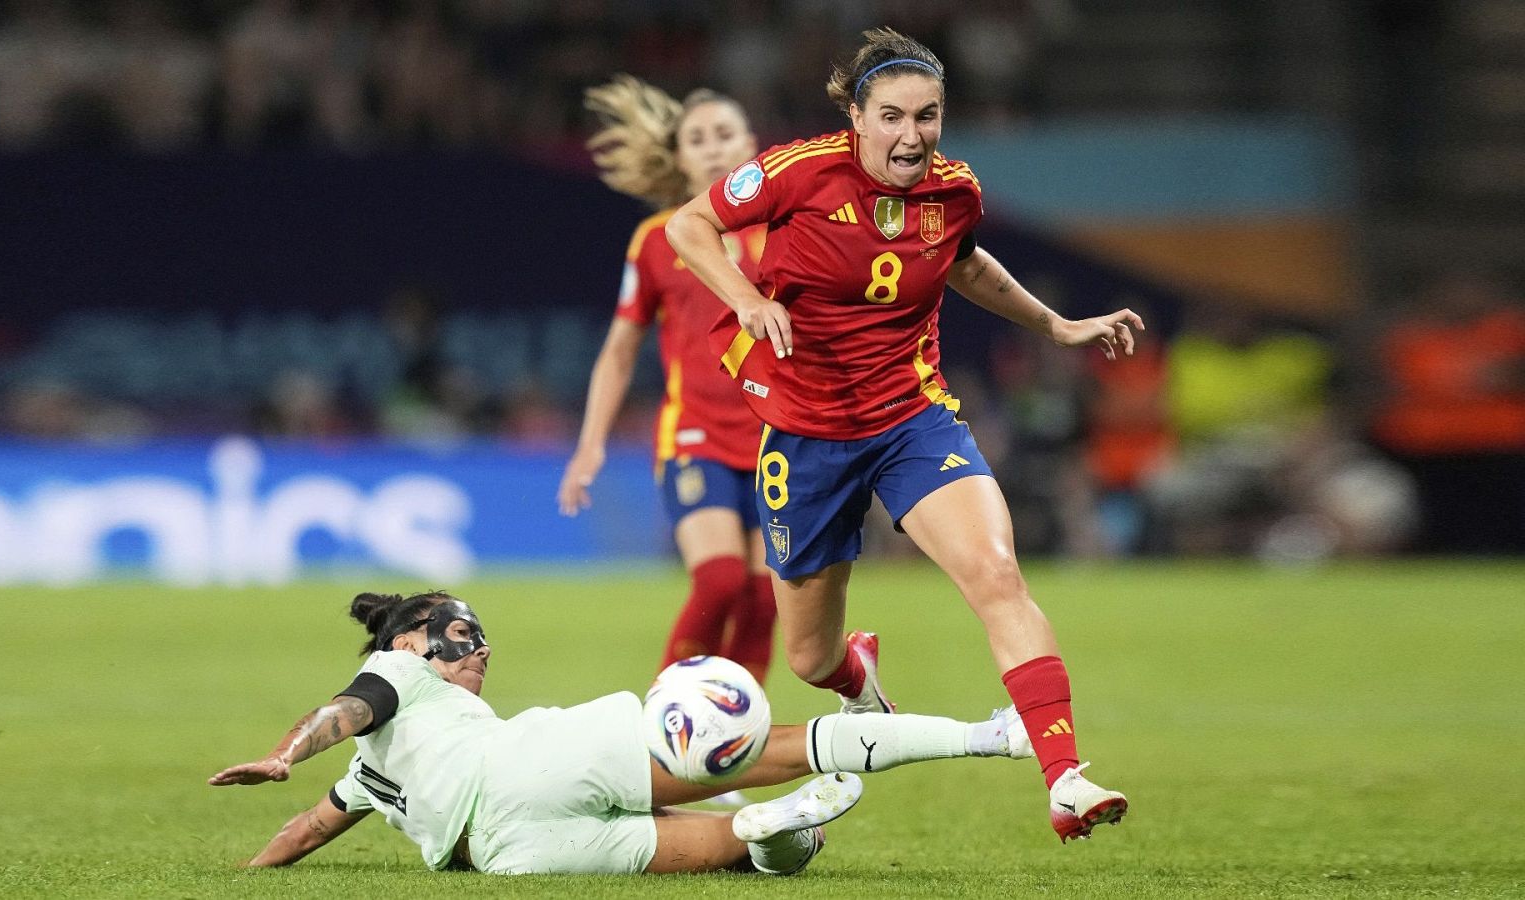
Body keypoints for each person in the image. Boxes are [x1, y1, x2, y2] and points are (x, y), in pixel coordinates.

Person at [664, 27, 1140, 842]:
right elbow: (688, 227)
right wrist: (746, 297)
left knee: (996, 572)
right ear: (857, 115)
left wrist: (1055, 325)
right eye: (891, 116)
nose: (911, 136)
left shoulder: (957, 191)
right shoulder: (797, 170)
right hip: (806, 433)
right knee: (810, 657)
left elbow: (964, 263)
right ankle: (859, 671)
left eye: (927, 117)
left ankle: (1064, 778)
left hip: (909, 418)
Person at [208, 590, 1034, 875]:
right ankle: (993, 735)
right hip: (526, 768)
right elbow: (342, 712)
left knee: (738, 853)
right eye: (463, 631)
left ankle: (766, 828)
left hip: (508, 857)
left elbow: (312, 825)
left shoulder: (369, 777)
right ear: (408, 640)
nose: (481, 645)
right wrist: (285, 753)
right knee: (782, 745)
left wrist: (251, 868)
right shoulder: (398, 675)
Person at [558, 76, 777, 682]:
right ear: (678, 157)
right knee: (721, 579)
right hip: (696, 436)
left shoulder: (786, 232)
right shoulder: (656, 241)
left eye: (724, 134)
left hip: (779, 439)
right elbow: (619, 351)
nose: (712, 147)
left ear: (752, 147)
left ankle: (730, 750)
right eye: (697, 138)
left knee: (765, 600)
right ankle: (663, 723)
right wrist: (590, 444)